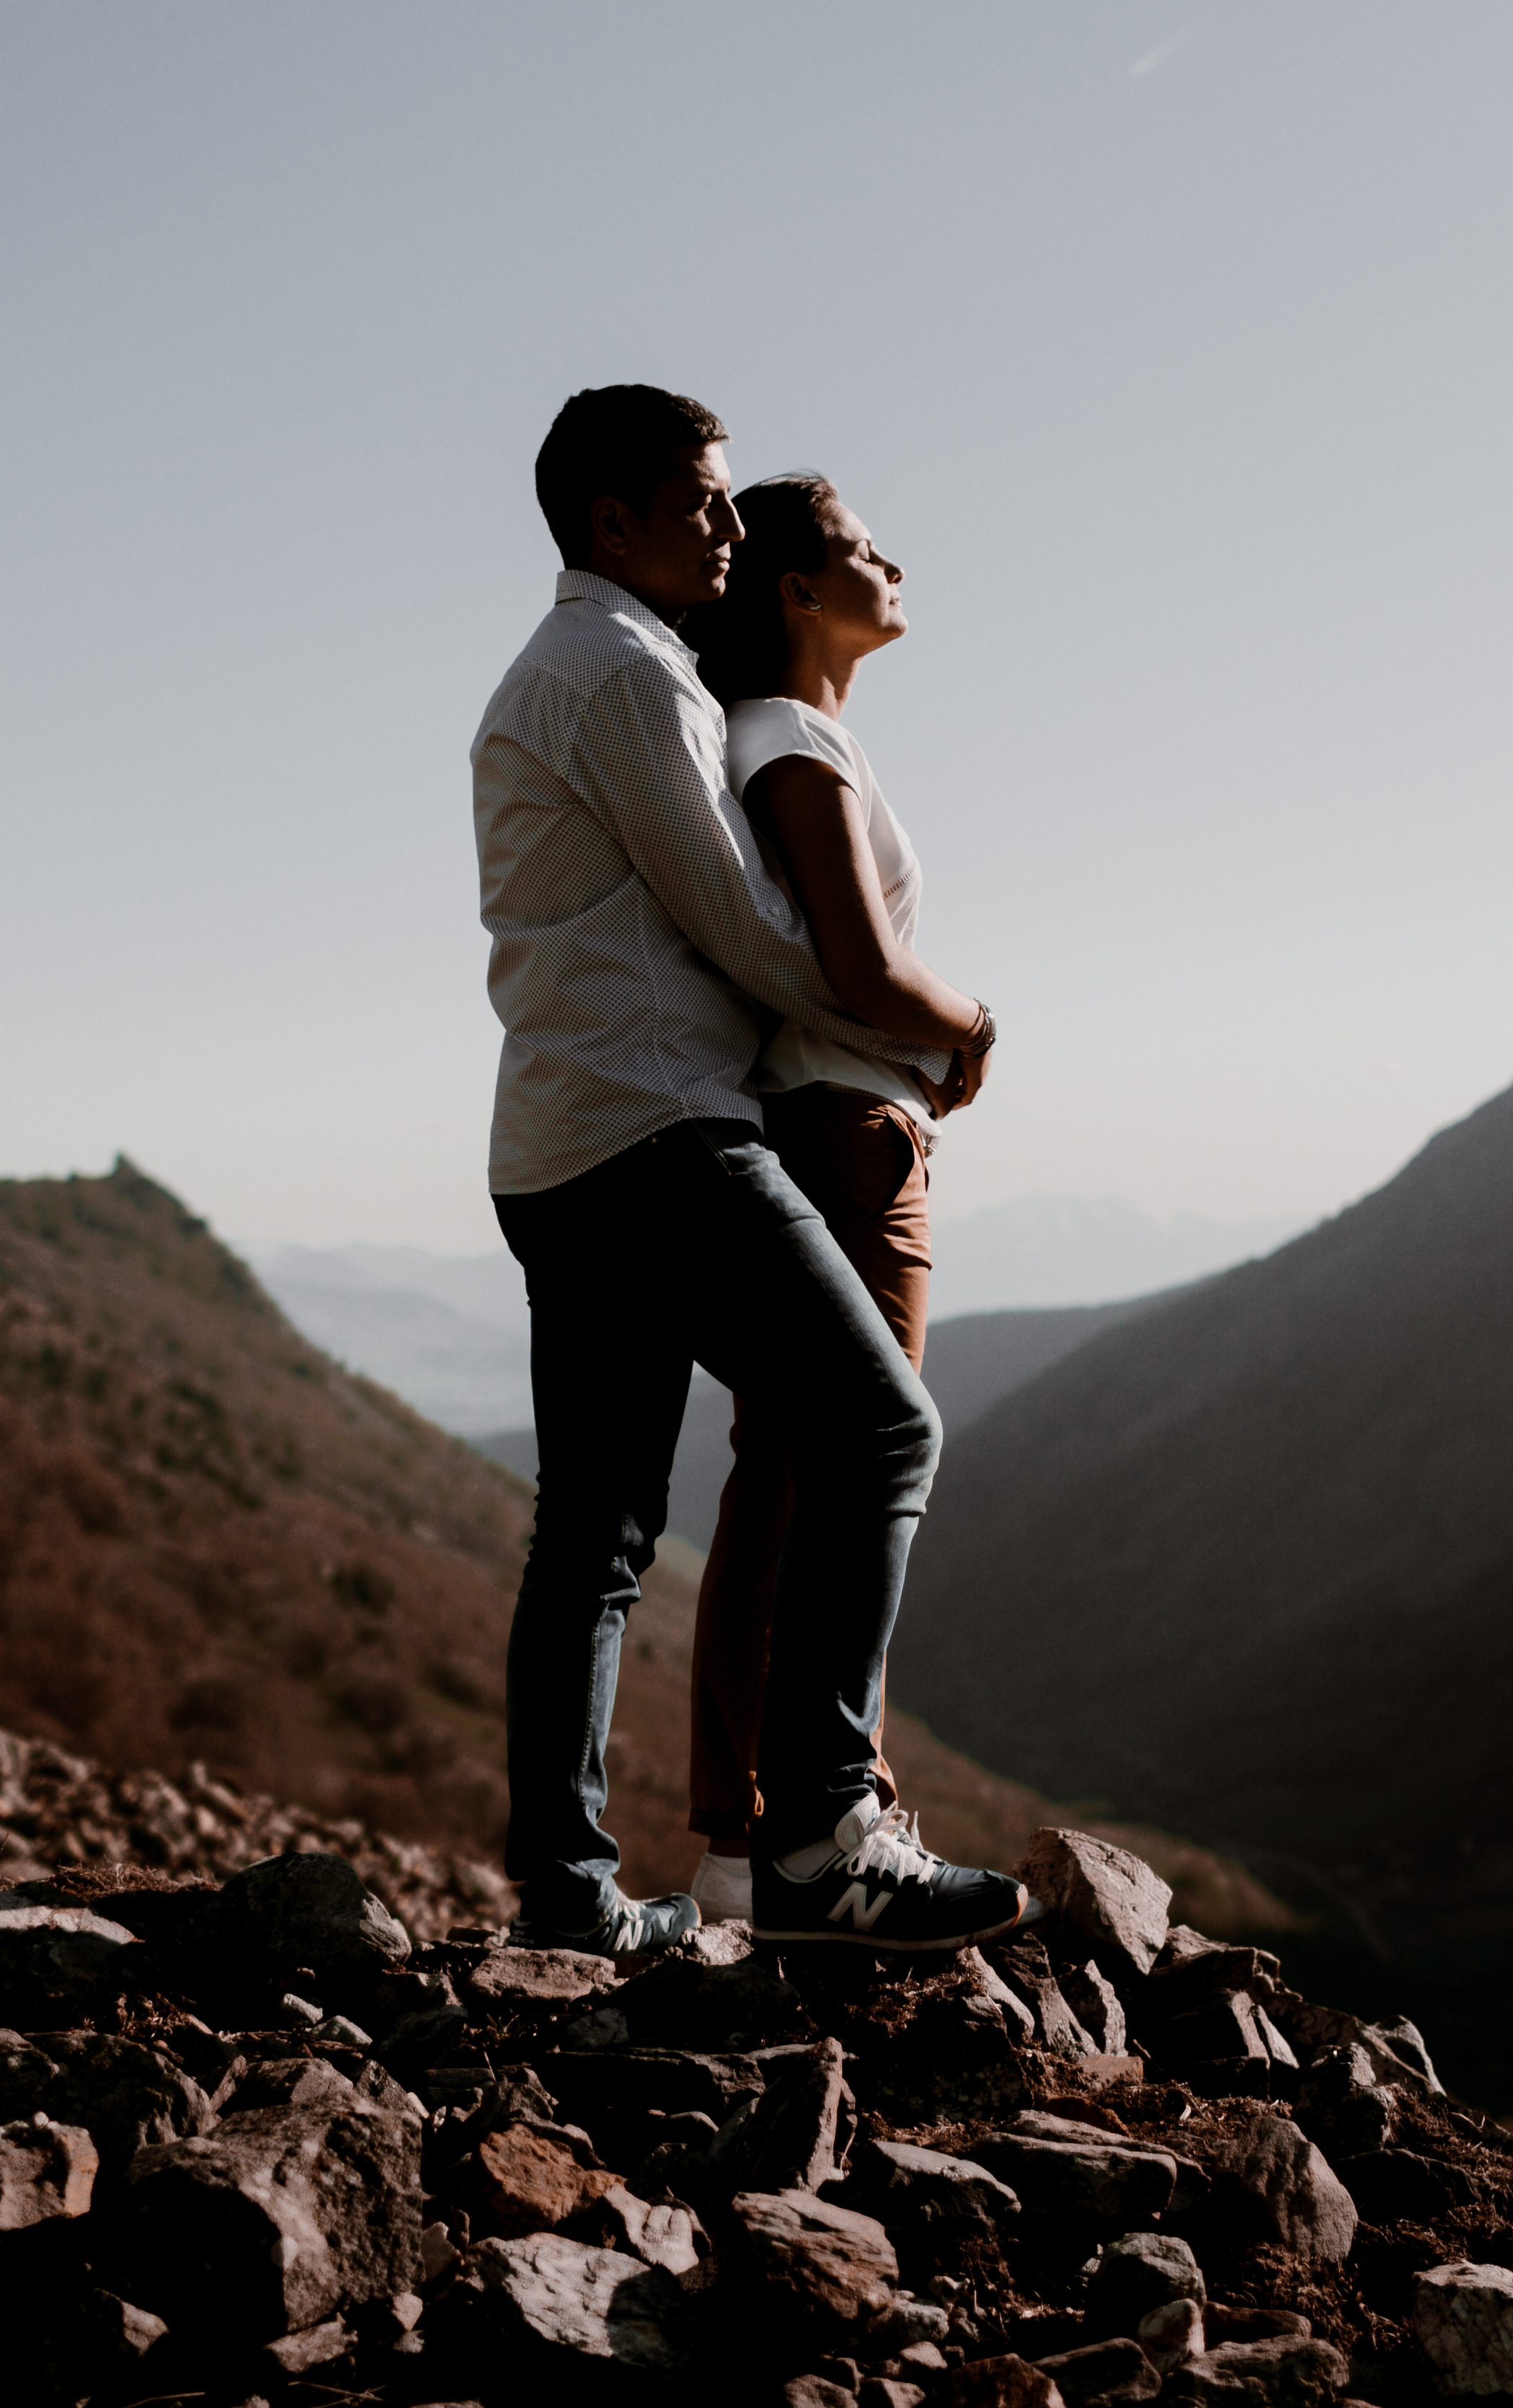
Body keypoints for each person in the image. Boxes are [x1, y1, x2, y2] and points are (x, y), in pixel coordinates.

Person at [471, 384, 1029, 1955]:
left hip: (560, 1141)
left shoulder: (568, 671)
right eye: (706, 502)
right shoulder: (623, 675)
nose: (731, 523)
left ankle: (574, 1898)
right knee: (878, 1436)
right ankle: (825, 1839)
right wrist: (932, 1034)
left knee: (596, 1533)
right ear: (612, 522)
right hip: (664, 1133)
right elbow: (752, 932)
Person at [672, 471, 989, 1923]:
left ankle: (752, 1844)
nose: (892, 562)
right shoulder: (794, 744)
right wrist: (974, 1026)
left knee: (786, 1481)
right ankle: (819, 1828)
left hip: (827, 1124)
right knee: (847, 1474)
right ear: (798, 592)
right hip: (853, 1132)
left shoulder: (776, 737)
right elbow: (862, 972)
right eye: (863, 549)